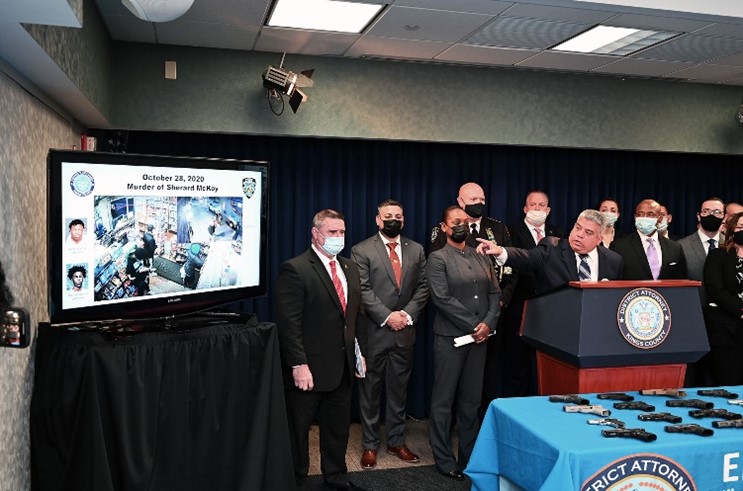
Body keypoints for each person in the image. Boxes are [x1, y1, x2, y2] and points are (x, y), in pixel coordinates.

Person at [274, 209, 366, 490]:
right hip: (308, 371)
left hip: (342, 368)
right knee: (297, 432)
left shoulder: (349, 268)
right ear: (316, 234)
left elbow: (353, 317)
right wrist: (298, 364)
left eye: (342, 232)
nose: (339, 237)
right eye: (332, 232)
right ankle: (296, 481)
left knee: (337, 430)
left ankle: (336, 478)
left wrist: (358, 354)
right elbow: (288, 324)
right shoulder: (295, 268)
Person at [350, 199, 429, 470]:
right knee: (370, 392)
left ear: (403, 220)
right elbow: (362, 290)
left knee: (399, 391)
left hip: (404, 332)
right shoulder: (361, 250)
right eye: (388, 216)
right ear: (378, 220)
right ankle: (370, 445)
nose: (393, 220)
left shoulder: (417, 249)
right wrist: (388, 317)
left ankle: (396, 441)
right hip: (374, 333)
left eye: (398, 216)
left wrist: (405, 315)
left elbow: (423, 286)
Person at [426, 205, 501, 481]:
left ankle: (468, 459)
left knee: (471, 402)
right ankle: (444, 459)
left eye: (464, 221)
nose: (461, 225)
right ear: (444, 227)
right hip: (450, 339)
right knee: (443, 400)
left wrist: (488, 324)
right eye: (455, 221)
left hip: (480, 340)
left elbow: (495, 293)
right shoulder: (437, 258)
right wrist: (474, 325)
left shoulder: (480, 255)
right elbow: (442, 299)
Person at [429, 182, 516, 411]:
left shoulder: (495, 232)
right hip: (455, 328)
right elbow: (441, 292)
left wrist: (491, 317)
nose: (479, 203)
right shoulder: (440, 246)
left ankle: (478, 429)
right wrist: (477, 325)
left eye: (481, 199)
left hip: (488, 322)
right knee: (445, 392)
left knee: (476, 390)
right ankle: (444, 432)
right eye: (473, 199)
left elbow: (504, 277)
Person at [502, 189, 563, 397]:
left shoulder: (557, 233)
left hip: (550, 309)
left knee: (545, 365)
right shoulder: (510, 232)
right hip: (519, 307)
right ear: (525, 208)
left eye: (541, 205)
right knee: (516, 363)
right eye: (533, 205)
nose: (537, 209)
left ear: (548, 210)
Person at [479, 209, 623, 292]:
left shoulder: (614, 261)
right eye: (578, 228)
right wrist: (500, 251)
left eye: (588, 232)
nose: (580, 234)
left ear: (599, 239)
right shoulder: (552, 247)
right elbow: (527, 257)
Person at [678, 197, 725, 387]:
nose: (711, 215)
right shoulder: (681, 246)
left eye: (717, 212)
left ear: (724, 217)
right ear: (698, 215)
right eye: (706, 211)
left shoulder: (732, 246)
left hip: (725, 326)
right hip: (692, 322)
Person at [702, 211, 743, 386]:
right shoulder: (718, 255)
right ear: (731, 229)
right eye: (740, 227)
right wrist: (740, 310)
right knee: (729, 381)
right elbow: (716, 290)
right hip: (726, 330)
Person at [610, 199, 687, 280]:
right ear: (635, 217)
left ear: (660, 218)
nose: (645, 218)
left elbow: (681, 280)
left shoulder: (674, 248)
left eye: (651, 214)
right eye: (640, 214)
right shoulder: (619, 247)